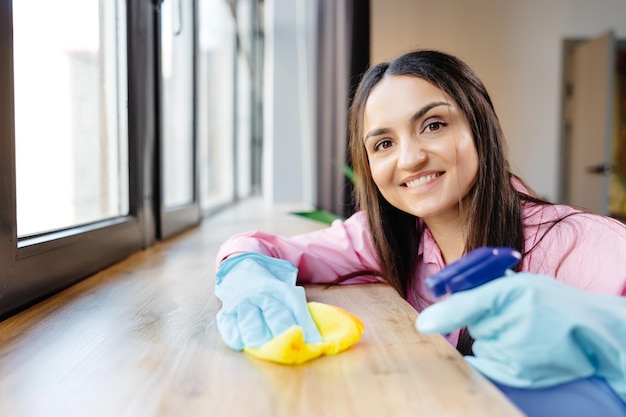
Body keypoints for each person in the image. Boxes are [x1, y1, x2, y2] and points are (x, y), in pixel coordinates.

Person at [214, 49, 626, 415]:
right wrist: (249, 281)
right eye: (383, 144)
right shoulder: (386, 238)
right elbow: (255, 246)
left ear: (479, 127)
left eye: (433, 125)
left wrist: (605, 331)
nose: (409, 158)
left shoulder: (583, 242)